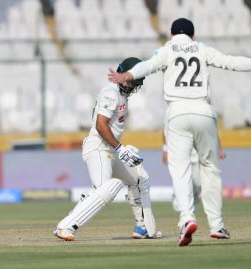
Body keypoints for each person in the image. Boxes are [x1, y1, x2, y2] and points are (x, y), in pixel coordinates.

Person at [107, 18, 249, 246]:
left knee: (180, 169)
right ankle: (217, 225)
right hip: (204, 111)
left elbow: (146, 66)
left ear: (172, 35)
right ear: (192, 36)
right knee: (210, 168)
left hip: (177, 113)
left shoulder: (167, 49)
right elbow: (231, 62)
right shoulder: (202, 49)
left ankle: (186, 218)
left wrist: (126, 76)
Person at [54, 57, 158, 241]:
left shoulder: (122, 94)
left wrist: (120, 150)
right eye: (132, 80)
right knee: (106, 189)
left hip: (111, 150)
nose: (134, 86)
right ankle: (65, 226)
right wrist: (121, 148)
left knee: (139, 177)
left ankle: (143, 227)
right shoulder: (111, 92)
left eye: (136, 82)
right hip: (98, 148)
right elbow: (101, 125)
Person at [163, 133, 227, 212]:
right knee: (182, 179)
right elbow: (165, 130)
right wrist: (165, 150)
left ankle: (194, 198)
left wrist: (219, 149)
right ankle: (179, 196)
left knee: (199, 182)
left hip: (198, 152)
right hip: (180, 152)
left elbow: (212, 129)